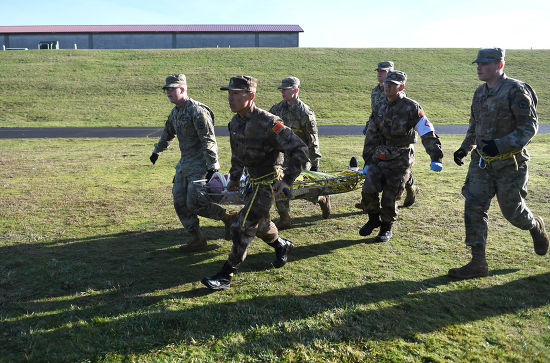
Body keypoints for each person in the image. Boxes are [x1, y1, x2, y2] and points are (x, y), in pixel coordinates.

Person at [201, 76, 309, 291]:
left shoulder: (269, 122)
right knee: (260, 224)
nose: (230, 98)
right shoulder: (235, 122)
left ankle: (226, 274)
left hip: (268, 183)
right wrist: (233, 177)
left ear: (250, 96)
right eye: (229, 93)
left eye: (235, 93)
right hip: (250, 181)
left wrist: (287, 180)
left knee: (241, 226)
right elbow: (237, 154)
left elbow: (300, 150)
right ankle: (281, 245)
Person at [449, 48, 548, 279]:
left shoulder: (515, 90)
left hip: (510, 165)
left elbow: (529, 128)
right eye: (477, 63)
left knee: (512, 212)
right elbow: (475, 124)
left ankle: (535, 226)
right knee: (474, 206)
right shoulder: (479, 93)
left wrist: (502, 144)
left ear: (499, 65)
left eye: (484, 63)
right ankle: (478, 262)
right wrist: (465, 148)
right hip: (482, 164)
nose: (478, 67)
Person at [149, 74, 235, 252]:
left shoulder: (197, 111)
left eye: (172, 89)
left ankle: (227, 217)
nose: (168, 93)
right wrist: (157, 150)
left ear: (183, 89)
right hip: (184, 165)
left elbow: (208, 140)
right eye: (167, 90)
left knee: (195, 203)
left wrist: (213, 167)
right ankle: (197, 239)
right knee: (180, 202)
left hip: (201, 165)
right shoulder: (176, 112)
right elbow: (167, 133)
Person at [359, 70, 443, 242]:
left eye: (392, 85)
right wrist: (367, 160)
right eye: (386, 84)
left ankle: (386, 227)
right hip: (380, 154)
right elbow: (372, 134)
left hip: (401, 156)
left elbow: (427, 132)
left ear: (401, 87)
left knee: (391, 194)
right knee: (368, 189)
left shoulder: (412, 107)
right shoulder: (380, 105)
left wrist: (436, 156)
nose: (387, 87)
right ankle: (373, 219)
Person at [269, 76, 331, 230]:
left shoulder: (305, 113)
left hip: (302, 157)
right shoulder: (277, 110)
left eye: (286, 89)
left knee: (300, 188)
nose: (282, 92)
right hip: (283, 156)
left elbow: (313, 141)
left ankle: (321, 198)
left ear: (295, 91)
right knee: (278, 183)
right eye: (281, 89)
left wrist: (315, 164)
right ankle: (285, 218)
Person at [357, 61, 419, 211]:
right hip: (381, 136)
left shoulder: (401, 95)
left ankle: (411, 188)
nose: (379, 74)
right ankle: (368, 202)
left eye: (383, 71)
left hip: (399, 140)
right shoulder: (375, 91)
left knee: (400, 174)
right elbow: (375, 112)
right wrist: (370, 126)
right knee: (375, 167)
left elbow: (403, 116)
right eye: (378, 71)